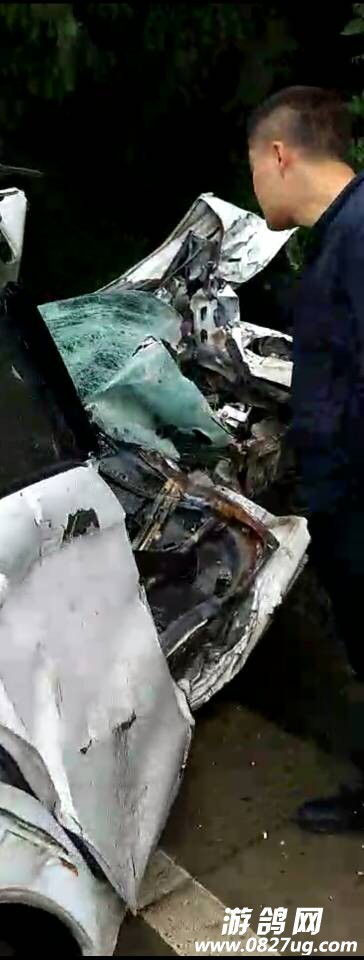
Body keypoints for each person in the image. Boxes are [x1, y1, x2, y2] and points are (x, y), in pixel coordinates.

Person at [248, 85, 364, 833]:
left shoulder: (360, 235)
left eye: (254, 169)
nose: (255, 188)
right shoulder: (338, 237)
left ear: (280, 155)